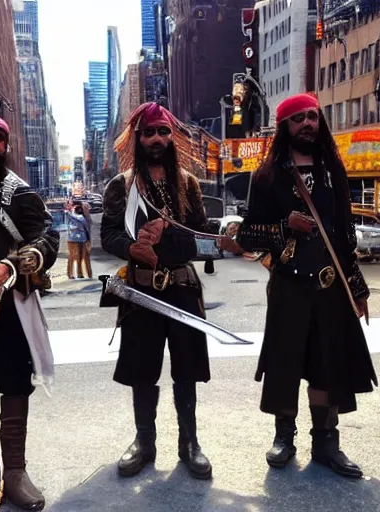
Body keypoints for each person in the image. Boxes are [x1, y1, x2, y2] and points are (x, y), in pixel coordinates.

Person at [220, 93, 377, 478]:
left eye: (312, 117)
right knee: (285, 363)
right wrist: (283, 225)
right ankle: (283, 437)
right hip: (289, 287)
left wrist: (357, 287)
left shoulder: (332, 171)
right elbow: (250, 235)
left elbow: (344, 235)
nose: (308, 124)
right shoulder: (267, 175)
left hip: (330, 288)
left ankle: (326, 442)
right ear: (285, 127)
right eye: (298, 119)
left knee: (328, 364)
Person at [101, 102, 212, 480]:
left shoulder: (188, 184)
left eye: (163, 131)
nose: (157, 139)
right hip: (142, 292)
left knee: (187, 370)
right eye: (149, 132)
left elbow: (199, 236)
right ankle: (144, 442)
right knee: (142, 370)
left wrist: (170, 231)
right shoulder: (122, 185)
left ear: (171, 136)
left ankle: (189, 443)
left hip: (182, 288)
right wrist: (132, 248)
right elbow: (109, 234)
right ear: (138, 137)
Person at [0, 112, 59, 509]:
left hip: (10, 310)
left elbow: (47, 235)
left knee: (15, 384)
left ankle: (15, 471)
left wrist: (18, 262)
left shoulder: (20, 194)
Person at [66, 201, 92, 279]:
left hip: (73, 238)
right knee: (79, 257)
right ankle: (78, 273)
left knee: (74, 257)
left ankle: (73, 274)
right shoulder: (83, 218)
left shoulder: (71, 215)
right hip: (82, 239)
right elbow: (87, 229)